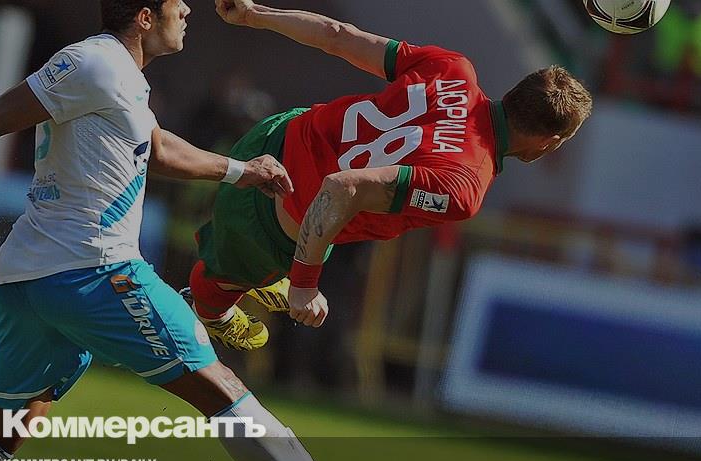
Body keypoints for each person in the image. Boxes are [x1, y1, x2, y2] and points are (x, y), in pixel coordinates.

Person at [0, 1, 430, 461]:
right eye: (176, 5)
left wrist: (241, 171)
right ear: (145, 16)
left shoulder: (120, 76)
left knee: (2, 430)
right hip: (94, 271)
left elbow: (158, 150)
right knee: (224, 392)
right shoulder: (92, 62)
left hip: (32, 278)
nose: (188, 11)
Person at [188, 0, 594, 351]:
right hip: (274, 220)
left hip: (271, 137)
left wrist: (254, 13)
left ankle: (265, 277)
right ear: (549, 141)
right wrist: (304, 281)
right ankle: (213, 308)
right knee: (209, 295)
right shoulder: (464, 185)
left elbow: (337, 35)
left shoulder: (453, 68)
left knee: (286, 246)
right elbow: (342, 186)